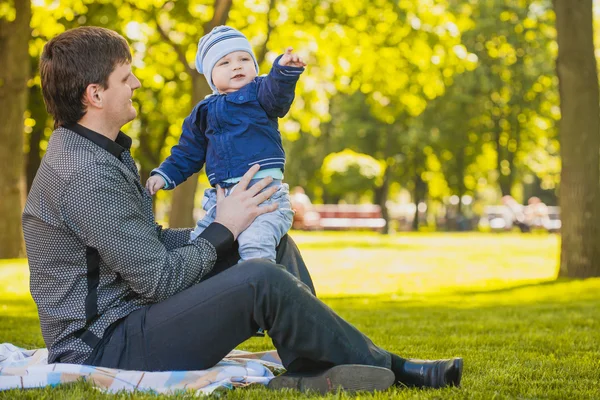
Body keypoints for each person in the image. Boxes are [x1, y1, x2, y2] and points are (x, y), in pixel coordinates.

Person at [23, 26, 463, 394]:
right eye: (126, 77)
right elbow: (157, 279)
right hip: (106, 344)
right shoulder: (81, 172)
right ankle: (398, 368)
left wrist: (232, 225)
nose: (137, 83)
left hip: (133, 316)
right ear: (95, 94)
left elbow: (146, 242)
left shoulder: (102, 153)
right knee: (261, 278)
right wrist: (222, 227)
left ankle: (307, 369)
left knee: (272, 240)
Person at [146, 25, 303, 264]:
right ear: (211, 76)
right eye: (225, 63)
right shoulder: (202, 112)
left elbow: (277, 96)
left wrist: (283, 72)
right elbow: (187, 153)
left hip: (263, 194)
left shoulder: (260, 93)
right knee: (199, 247)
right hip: (221, 201)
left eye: (243, 59)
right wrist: (165, 174)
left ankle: (260, 290)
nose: (237, 66)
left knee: (255, 244)